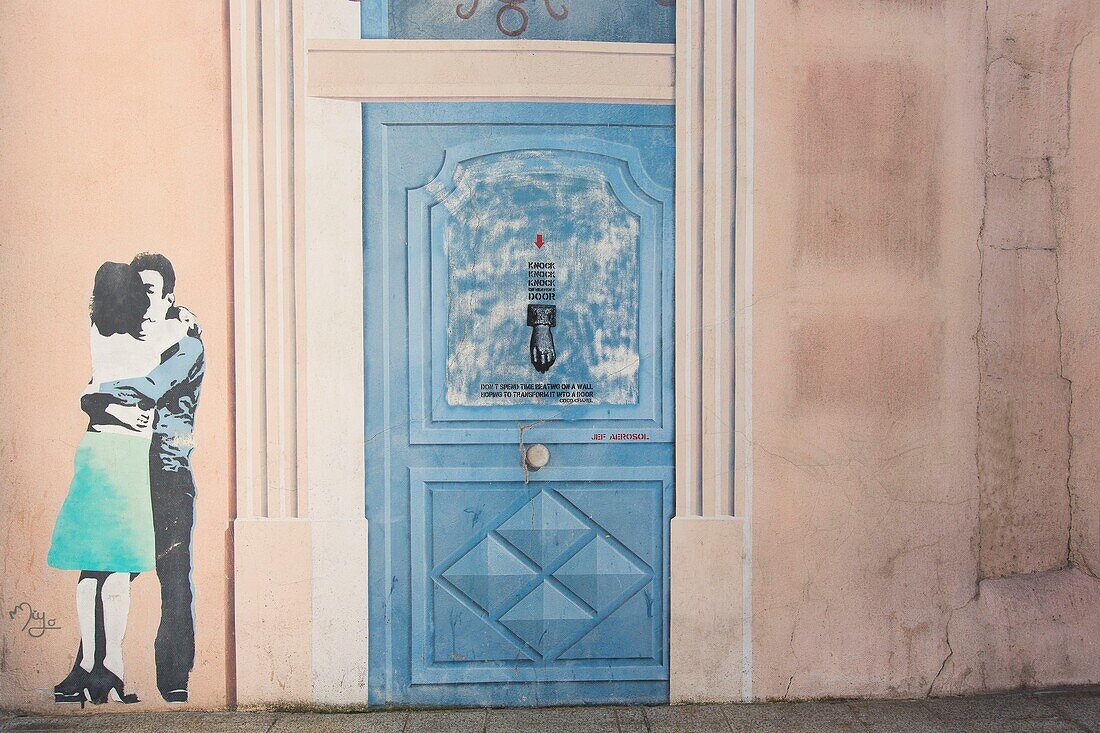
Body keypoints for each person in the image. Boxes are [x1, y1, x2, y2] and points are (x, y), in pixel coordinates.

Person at [47, 261, 190, 706]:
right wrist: (184, 316)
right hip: (129, 459)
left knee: (91, 568)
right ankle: (112, 669)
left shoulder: (96, 330)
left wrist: (96, 399)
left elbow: (89, 393)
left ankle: (91, 665)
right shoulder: (150, 340)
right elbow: (173, 340)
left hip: (93, 453)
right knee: (119, 571)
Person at [84, 253, 205, 704]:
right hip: (127, 467)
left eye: (150, 292)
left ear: (170, 297)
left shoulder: (185, 344)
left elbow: (152, 386)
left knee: (172, 578)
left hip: (168, 474)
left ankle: (174, 679)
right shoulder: (140, 340)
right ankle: (93, 667)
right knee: (105, 568)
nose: (141, 302)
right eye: (137, 293)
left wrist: (97, 391)